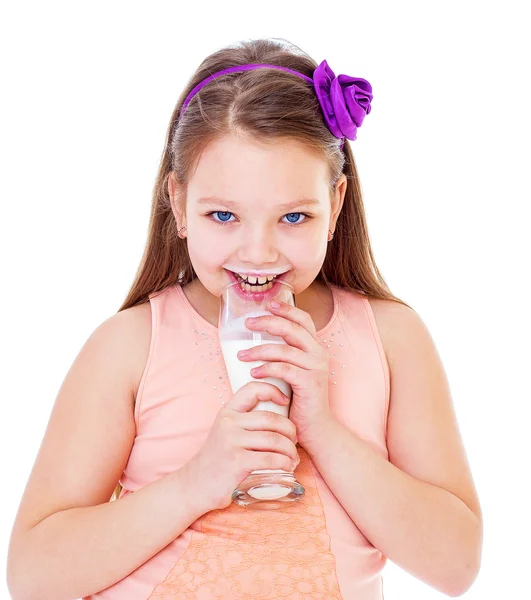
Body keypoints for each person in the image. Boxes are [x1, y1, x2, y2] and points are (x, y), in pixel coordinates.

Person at [7, 38, 482, 600]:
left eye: (294, 217)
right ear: (179, 203)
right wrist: (194, 484)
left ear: (335, 205)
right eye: (224, 215)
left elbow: (456, 566)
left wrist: (323, 431)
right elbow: (33, 577)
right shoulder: (129, 346)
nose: (258, 253)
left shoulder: (391, 339)